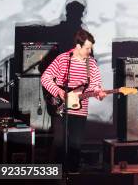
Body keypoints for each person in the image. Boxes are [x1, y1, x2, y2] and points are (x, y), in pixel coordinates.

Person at [41, 29, 107, 173]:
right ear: (78, 46)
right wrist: (58, 91)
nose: (89, 51)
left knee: (75, 144)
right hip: (60, 107)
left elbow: (95, 86)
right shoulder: (62, 59)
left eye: (91, 48)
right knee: (59, 143)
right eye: (87, 48)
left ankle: (73, 174)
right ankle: (55, 175)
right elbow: (45, 78)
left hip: (80, 110)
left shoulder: (92, 64)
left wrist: (99, 93)